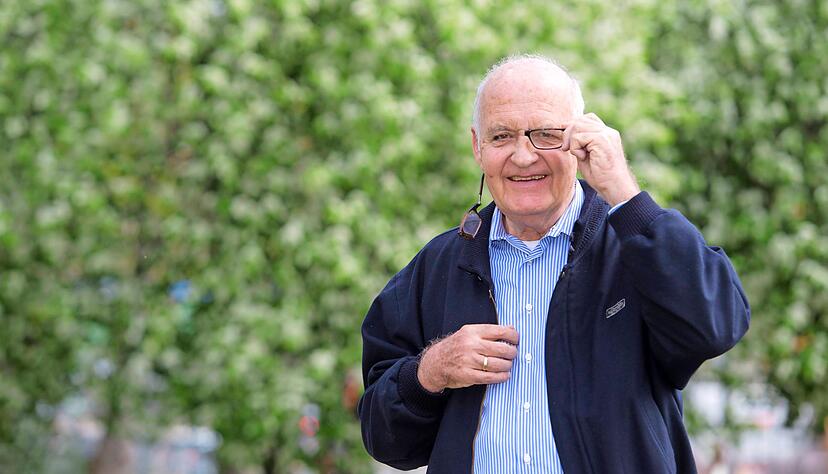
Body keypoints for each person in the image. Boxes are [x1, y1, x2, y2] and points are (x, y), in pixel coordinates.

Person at [358, 54, 750, 473]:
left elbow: (715, 326)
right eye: (501, 136)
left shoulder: (633, 246)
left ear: (580, 140)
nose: (524, 156)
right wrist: (431, 371)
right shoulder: (439, 267)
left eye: (545, 135)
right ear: (477, 147)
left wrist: (622, 188)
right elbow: (383, 438)